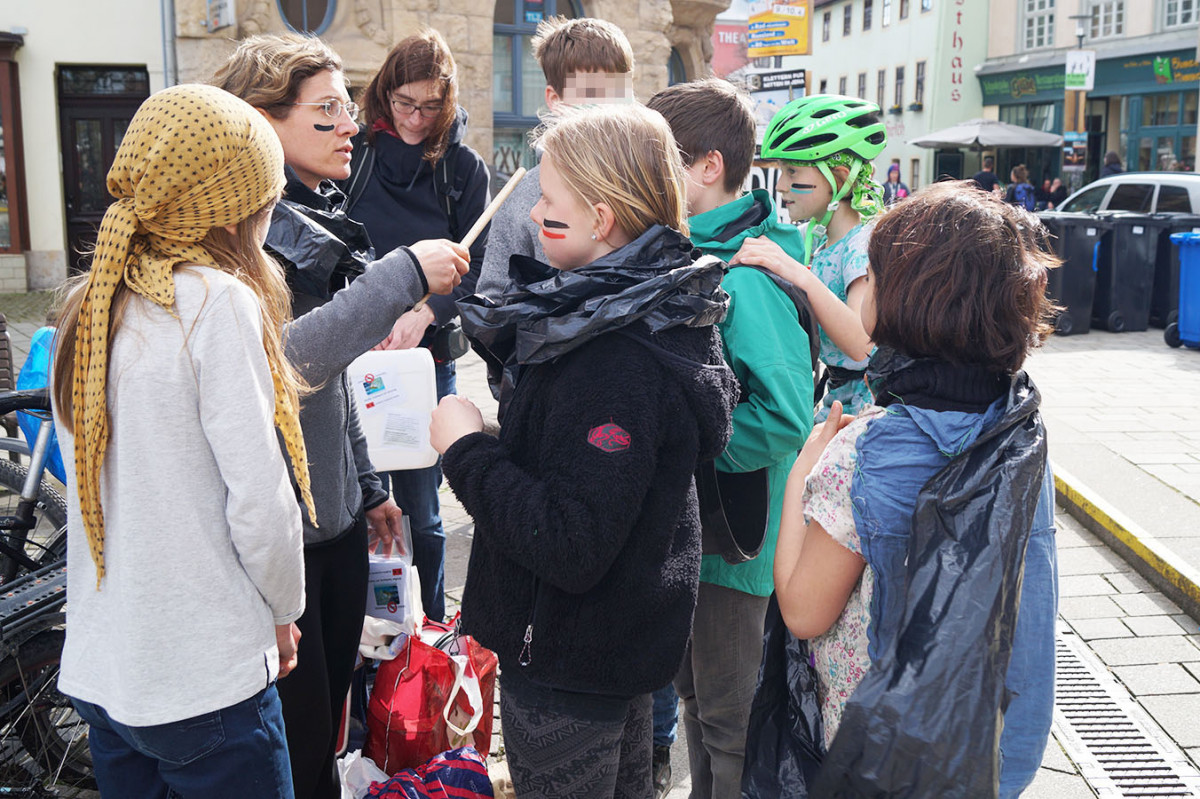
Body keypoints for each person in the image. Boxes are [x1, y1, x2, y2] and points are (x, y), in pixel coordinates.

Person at [434, 104, 738, 799]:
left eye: (548, 199)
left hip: (570, 662)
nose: (534, 212)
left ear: (601, 219)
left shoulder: (613, 353)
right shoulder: (638, 310)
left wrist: (464, 450)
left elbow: (571, 540)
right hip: (612, 651)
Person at [212, 35, 469, 799]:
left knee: (330, 728)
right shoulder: (239, 238)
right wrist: (404, 275)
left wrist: (370, 484)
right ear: (260, 120)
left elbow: (336, 377)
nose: (351, 125)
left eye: (346, 107)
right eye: (326, 110)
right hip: (283, 544)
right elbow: (287, 365)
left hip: (337, 521)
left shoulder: (315, 213)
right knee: (297, 746)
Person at [51, 84, 306, 798]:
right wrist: (284, 611)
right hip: (203, 675)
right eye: (267, 201)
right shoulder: (216, 302)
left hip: (108, 668)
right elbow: (260, 502)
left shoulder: (88, 300)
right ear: (230, 210)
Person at [773, 181, 1059, 797]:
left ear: (909, 301)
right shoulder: (1020, 430)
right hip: (993, 749)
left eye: (872, 277)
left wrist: (801, 474)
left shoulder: (866, 451)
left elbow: (802, 610)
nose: (865, 288)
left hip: (884, 759)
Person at [646, 78, 814, 799]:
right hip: (703, 532)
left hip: (736, 544)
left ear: (708, 167)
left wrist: (683, 442)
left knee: (729, 722)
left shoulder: (748, 275)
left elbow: (785, 416)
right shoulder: (702, 251)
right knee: (697, 703)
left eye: (658, 161)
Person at [344, 29, 491, 624]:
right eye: (404, 102)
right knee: (361, 504)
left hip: (428, 361)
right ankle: (371, 634)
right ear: (385, 93)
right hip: (354, 356)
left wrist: (427, 312)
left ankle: (428, 629)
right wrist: (366, 314)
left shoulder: (462, 168)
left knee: (424, 515)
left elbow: (480, 264)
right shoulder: (356, 157)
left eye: (430, 106)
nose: (414, 118)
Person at [728, 94, 883, 421]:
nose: (781, 185)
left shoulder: (861, 243)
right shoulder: (817, 238)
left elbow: (861, 343)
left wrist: (796, 272)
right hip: (835, 399)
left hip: (865, 408)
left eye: (792, 171)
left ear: (838, 177)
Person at [475, 15, 634, 300]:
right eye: (592, 93)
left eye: (618, 92)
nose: (607, 107)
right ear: (554, 100)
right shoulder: (523, 195)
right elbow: (493, 296)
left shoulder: (648, 179)